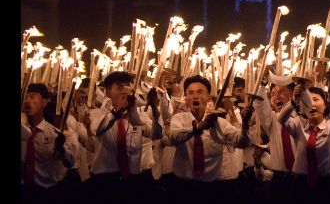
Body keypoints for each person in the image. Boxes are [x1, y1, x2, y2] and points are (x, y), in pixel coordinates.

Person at [168, 75, 251, 200]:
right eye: (190, 93)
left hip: (213, 189)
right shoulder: (178, 119)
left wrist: (245, 124)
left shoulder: (220, 123)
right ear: (186, 99)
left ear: (208, 98)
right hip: (183, 187)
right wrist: (197, 128)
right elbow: (174, 137)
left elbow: (242, 142)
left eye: (200, 92)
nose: (195, 96)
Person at [88, 71, 162, 204]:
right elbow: (97, 129)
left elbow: (156, 134)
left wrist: (156, 112)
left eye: (128, 87)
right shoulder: (97, 113)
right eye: (119, 87)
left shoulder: (137, 115)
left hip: (133, 180)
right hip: (105, 181)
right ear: (108, 92)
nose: (125, 91)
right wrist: (116, 112)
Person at [278, 81, 330, 204]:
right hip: (300, 184)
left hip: (326, 185)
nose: (311, 104)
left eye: (315, 99)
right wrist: (293, 101)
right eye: (306, 101)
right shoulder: (298, 124)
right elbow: (281, 119)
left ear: (325, 104)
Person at [22, 83, 79, 204]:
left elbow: (70, 162)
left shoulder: (54, 134)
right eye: (25, 97)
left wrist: (61, 149)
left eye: (32, 97)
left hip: (46, 194)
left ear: (44, 102)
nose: (27, 100)